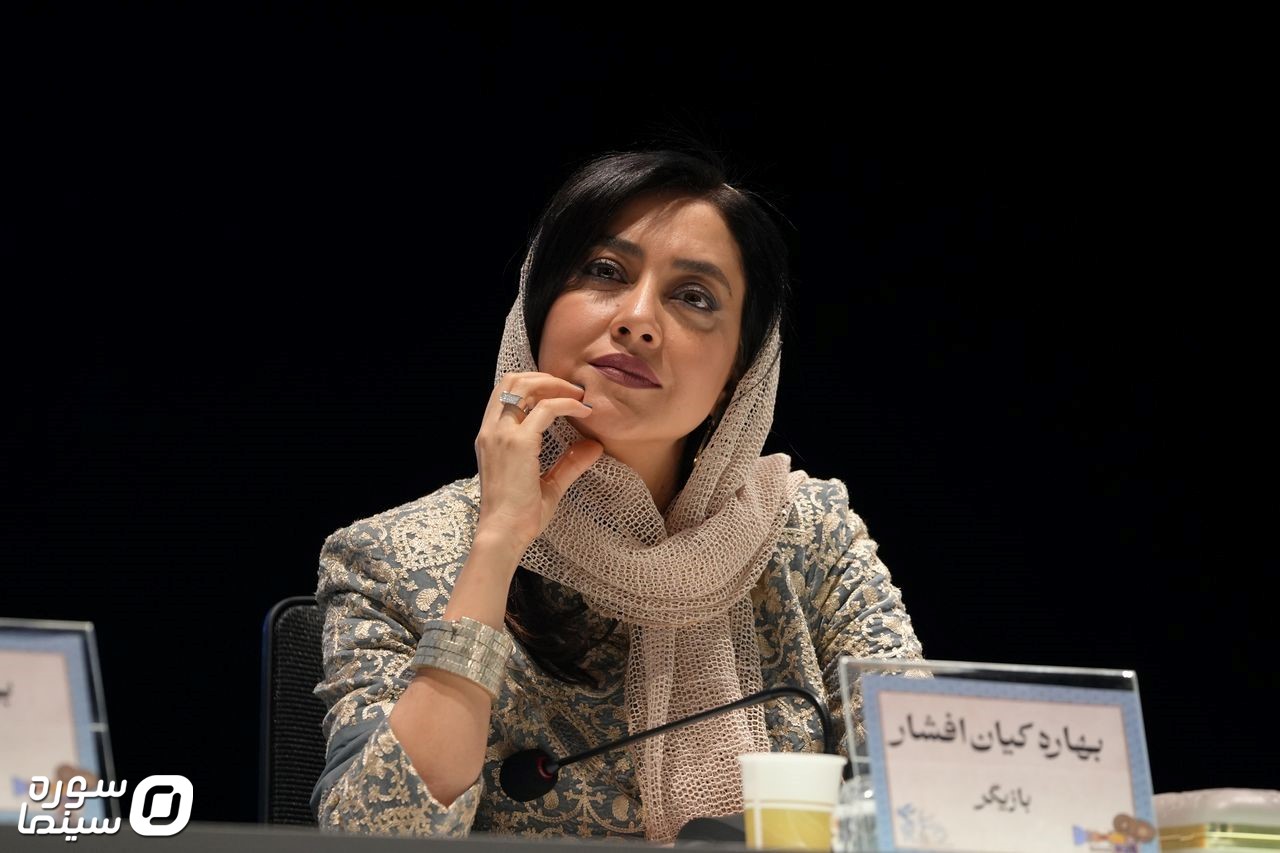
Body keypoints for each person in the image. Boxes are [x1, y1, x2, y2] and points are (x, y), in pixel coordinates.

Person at [309, 146, 923, 841]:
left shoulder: (808, 535)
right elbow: (376, 836)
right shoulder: (390, 558)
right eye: (605, 271)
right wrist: (498, 542)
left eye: (693, 297)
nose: (637, 319)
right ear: (539, 307)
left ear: (739, 371)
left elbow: (933, 789)